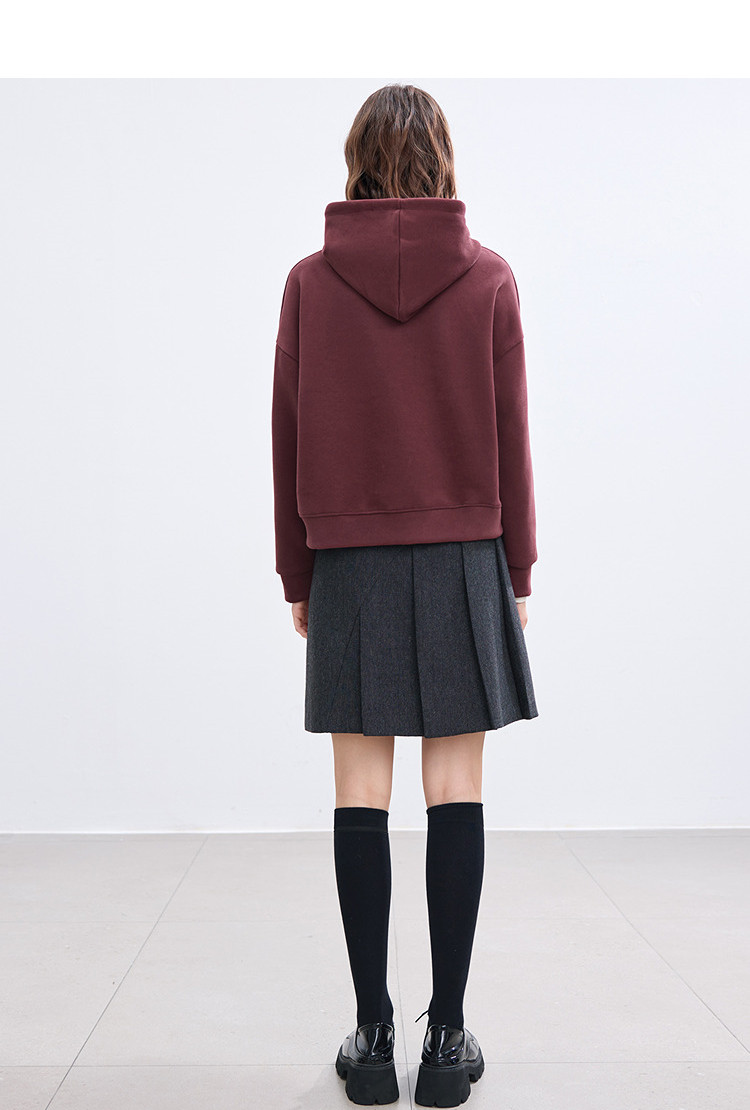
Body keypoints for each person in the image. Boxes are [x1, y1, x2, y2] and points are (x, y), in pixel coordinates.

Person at [271, 83, 539, 1107]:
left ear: (357, 162)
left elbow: (287, 436)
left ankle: (374, 1036)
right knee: (456, 788)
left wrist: (298, 571)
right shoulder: (490, 278)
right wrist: (517, 569)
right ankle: (451, 1038)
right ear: (442, 161)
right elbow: (513, 435)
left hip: (350, 559)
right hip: (466, 555)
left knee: (360, 793)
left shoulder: (309, 283)